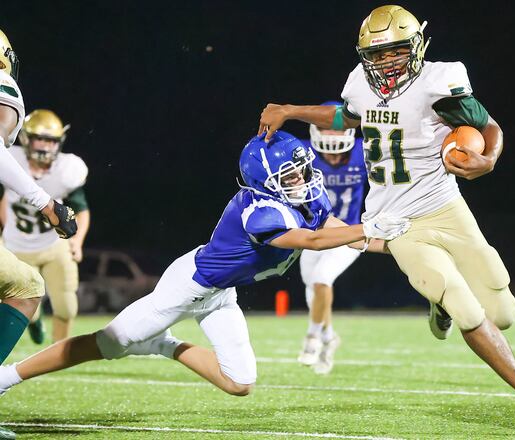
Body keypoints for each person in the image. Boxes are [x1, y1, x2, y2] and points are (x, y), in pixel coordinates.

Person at [257, 6, 515, 435]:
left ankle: (437, 305)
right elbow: (346, 118)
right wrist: (291, 109)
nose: (386, 63)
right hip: (396, 220)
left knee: (502, 312)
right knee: (465, 309)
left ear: (416, 46)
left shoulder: (437, 82)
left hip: (446, 206)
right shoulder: (358, 83)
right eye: (377, 55)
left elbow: (489, 126)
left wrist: (488, 159)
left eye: (395, 52)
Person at [0, 131, 408, 402]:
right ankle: (8, 377)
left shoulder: (303, 199)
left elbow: (332, 228)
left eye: (302, 168)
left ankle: (163, 345)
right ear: (265, 179)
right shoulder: (260, 211)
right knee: (107, 344)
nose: (302, 177)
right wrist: (366, 225)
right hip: (187, 287)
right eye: (291, 173)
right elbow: (314, 241)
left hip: (220, 295)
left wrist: (388, 244)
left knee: (240, 383)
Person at [0, 29, 78, 440]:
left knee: (41, 290)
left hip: (48, 248)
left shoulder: (69, 168)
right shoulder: (4, 88)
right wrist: (45, 203)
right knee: (26, 286)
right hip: (22, 240)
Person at [0, 109, 90, 344]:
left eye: (50, 140)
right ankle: (34, 321)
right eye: (40, 138)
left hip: (53, 244)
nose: (45, 145)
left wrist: (77, 243)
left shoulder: (67, 169)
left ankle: (57, 352)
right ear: (26, 138)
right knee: (24, 298)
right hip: (16, 244)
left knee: (67, 306)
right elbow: (2, 200)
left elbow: (81, 210)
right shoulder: (11, 157)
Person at [297, 103, 366, 374]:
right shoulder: (303, 153)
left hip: (348, 233)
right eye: (326, 128)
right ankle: (329, 337)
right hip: (314, 233)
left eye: (337, 129)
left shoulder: (364, 152)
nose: (332, 136)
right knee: (311, 290)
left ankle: (312, 338)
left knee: (321, 279)